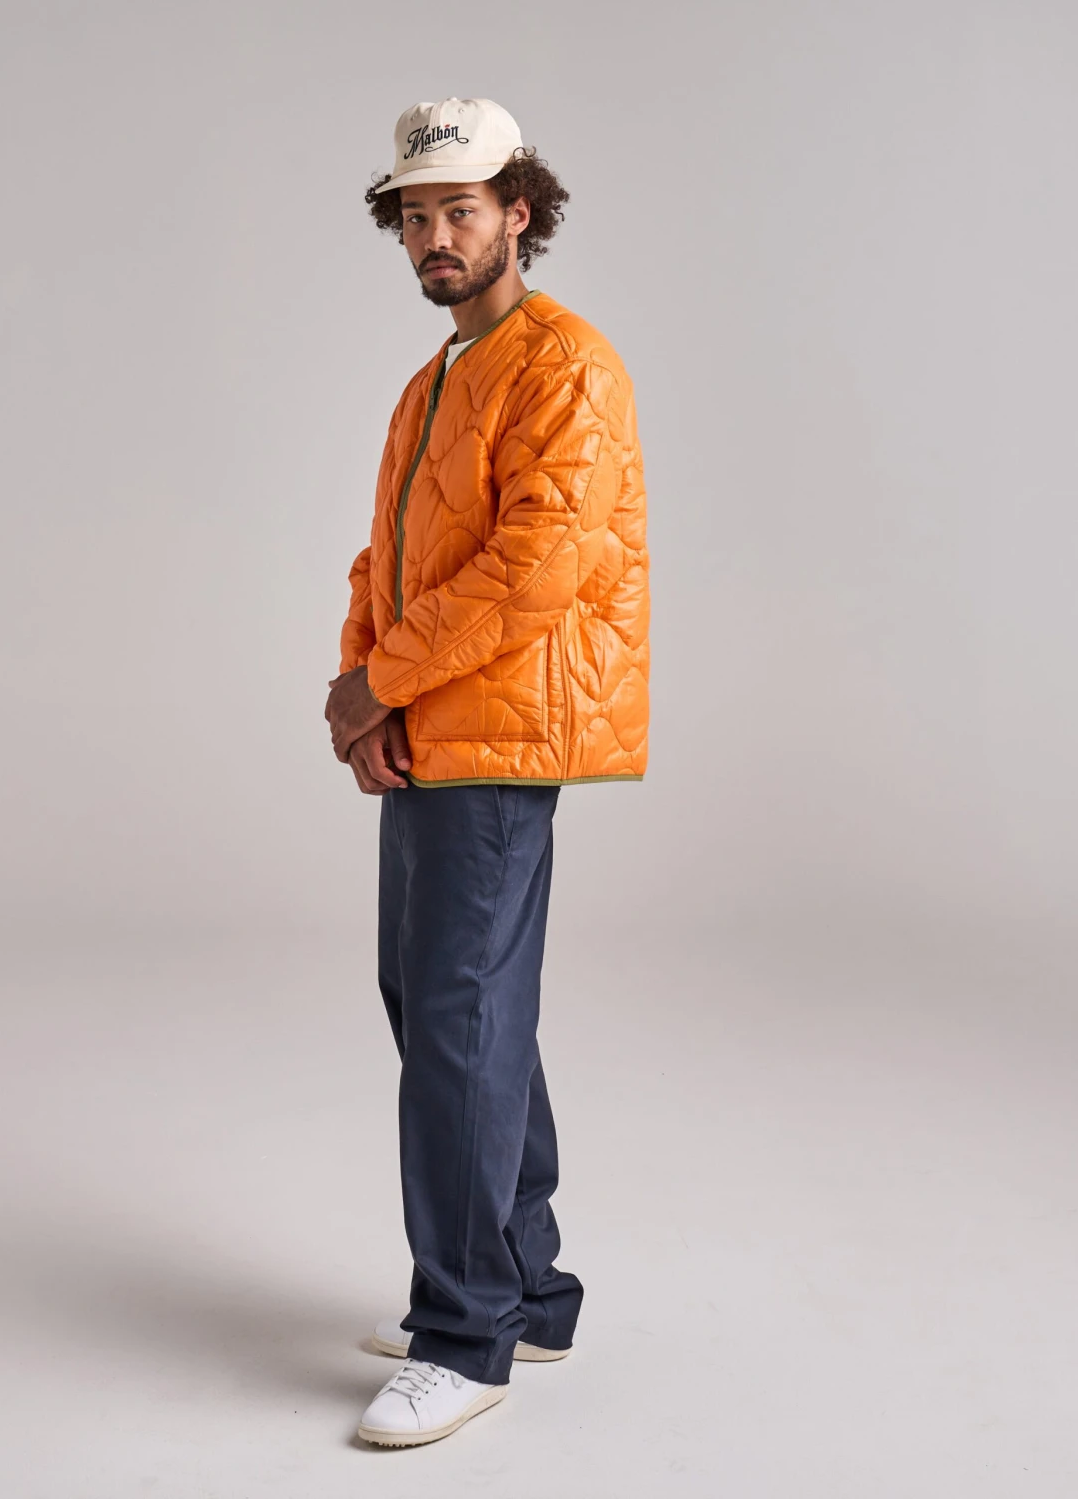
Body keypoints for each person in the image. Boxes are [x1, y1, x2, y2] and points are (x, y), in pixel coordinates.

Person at [323, 96, 650, 1448]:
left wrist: (382, 682)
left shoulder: (565, 365)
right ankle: (530, 1289)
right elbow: (387, 559)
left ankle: (466, 1337)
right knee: (442, 1004)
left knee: (459, 1019)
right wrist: (366, 694)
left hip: (501, 734)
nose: (435, 238)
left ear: (521, 213)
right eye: (415, 217)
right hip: (435, 729)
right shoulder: (437, 380)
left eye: (460, 210)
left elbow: (534, 571)